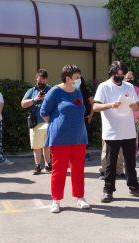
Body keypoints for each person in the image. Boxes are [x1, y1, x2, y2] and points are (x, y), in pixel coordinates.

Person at [93, 61, 139, 203]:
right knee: (111, 163)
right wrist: (111, 105)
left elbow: (136, 106)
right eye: (117, 75)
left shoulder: (129, 86)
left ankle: (134, 187)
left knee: (130, 162)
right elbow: (95, 107)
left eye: (122, 75)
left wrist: (133, 105)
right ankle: (108, 190)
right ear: (111, 73)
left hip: (129, 131)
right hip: (112, 131)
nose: (120, 77)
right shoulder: (104, 86)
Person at [40, 65, 90, 213]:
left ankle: (80, 198)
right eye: (76, 78)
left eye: (79, 77)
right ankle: (56, 200)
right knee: (59, 170)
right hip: (60, 138)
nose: (79, 80)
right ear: (67, 78)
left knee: (78, 170)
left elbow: (81, 110)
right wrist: (57, 125)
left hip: (79, 137)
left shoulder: (77, 92)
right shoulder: (55, 91)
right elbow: (44, 112)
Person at [21, 69, 52, 175]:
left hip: (49, 122)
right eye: (40, 80)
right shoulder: (31, 91)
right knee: (36, 146)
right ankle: (37, 166)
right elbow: (23, 104)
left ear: (47, 80)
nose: (42, 82)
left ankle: (48, 165)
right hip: (36, 123)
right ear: (36, 79)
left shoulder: (52, 90)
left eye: (44, 80)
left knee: (47, 145)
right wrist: (35, 99)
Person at [125, 71, 139, 167]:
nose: (129, 79)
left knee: (135, 139)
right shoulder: (121, 88)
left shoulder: (136, 89)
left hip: (135, 117)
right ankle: (124, 160)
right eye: (127, 77)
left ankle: (134, 159)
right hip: (124, 117)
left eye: (131, 78)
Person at [80, 76, 94, 161]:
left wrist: (91, 115)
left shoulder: (87, 91)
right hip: (74, 118)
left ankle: (86, 153)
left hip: (85, 117)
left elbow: (93, 104)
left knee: (85, 136)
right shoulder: (71, 90)